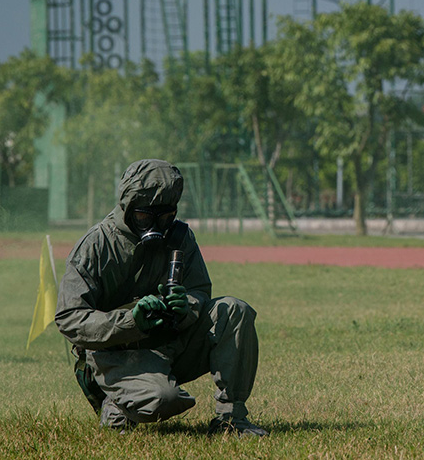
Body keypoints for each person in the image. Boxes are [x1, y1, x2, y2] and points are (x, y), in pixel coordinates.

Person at [56, 159, 267, 436]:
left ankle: (231, 420)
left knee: (235, 310)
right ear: (127, 208)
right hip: (119, 356)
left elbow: (199, 290)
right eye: (145, 217)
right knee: (164, 400)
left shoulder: (180, 236)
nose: (156, 224)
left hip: (171, 342)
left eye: (165, 216)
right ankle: (116, 403)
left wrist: (187, 306)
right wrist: (131, 320)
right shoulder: (97, 245)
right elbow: (69, 318)